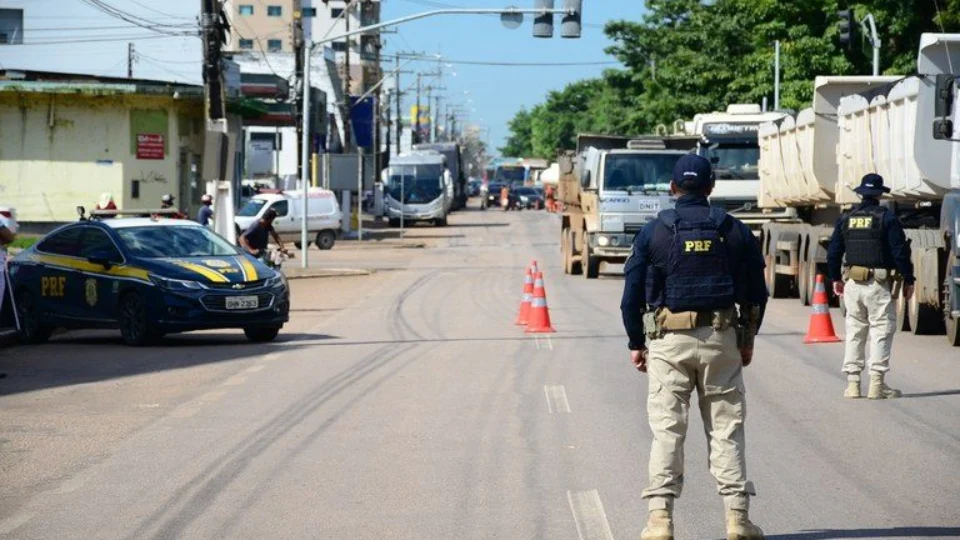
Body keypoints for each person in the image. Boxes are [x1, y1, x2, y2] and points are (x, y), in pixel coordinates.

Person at [621, 154, 767, 540]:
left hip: (668, 344)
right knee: (726, 428)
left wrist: (637, 343)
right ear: (711, 188)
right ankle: (738, 519)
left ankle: (659, 520)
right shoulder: (734, 230)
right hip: (722, 339)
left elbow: (631, 296)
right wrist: (747, 340)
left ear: (672, 188)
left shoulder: (654, 232)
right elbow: (757, 293)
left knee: (667, 429)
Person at [827, 173, 914, 400]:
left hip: (852, 283)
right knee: (881, 330)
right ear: (879, 194)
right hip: (878, 284)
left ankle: (853, 385)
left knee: (855, 330)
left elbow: (833, 251)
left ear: (861, 193)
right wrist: (909, 279)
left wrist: (835, 279)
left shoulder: (846, 218)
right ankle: (877, 385)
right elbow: (900, 252)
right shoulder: (887, 218)